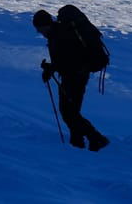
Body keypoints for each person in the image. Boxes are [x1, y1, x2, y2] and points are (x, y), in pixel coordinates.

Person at [33, 8, 109, 152]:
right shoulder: (58, 33)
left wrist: (51, 68)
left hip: (75, 77)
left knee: (68, 112)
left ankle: (96, 138)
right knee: (71, 111)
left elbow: (68, 60)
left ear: (44, 25)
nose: (40, 33)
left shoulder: (59, 35)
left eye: (39, 29)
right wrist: (51, 68)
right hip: (76, 75)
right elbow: (65, 59)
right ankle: (77, 141)